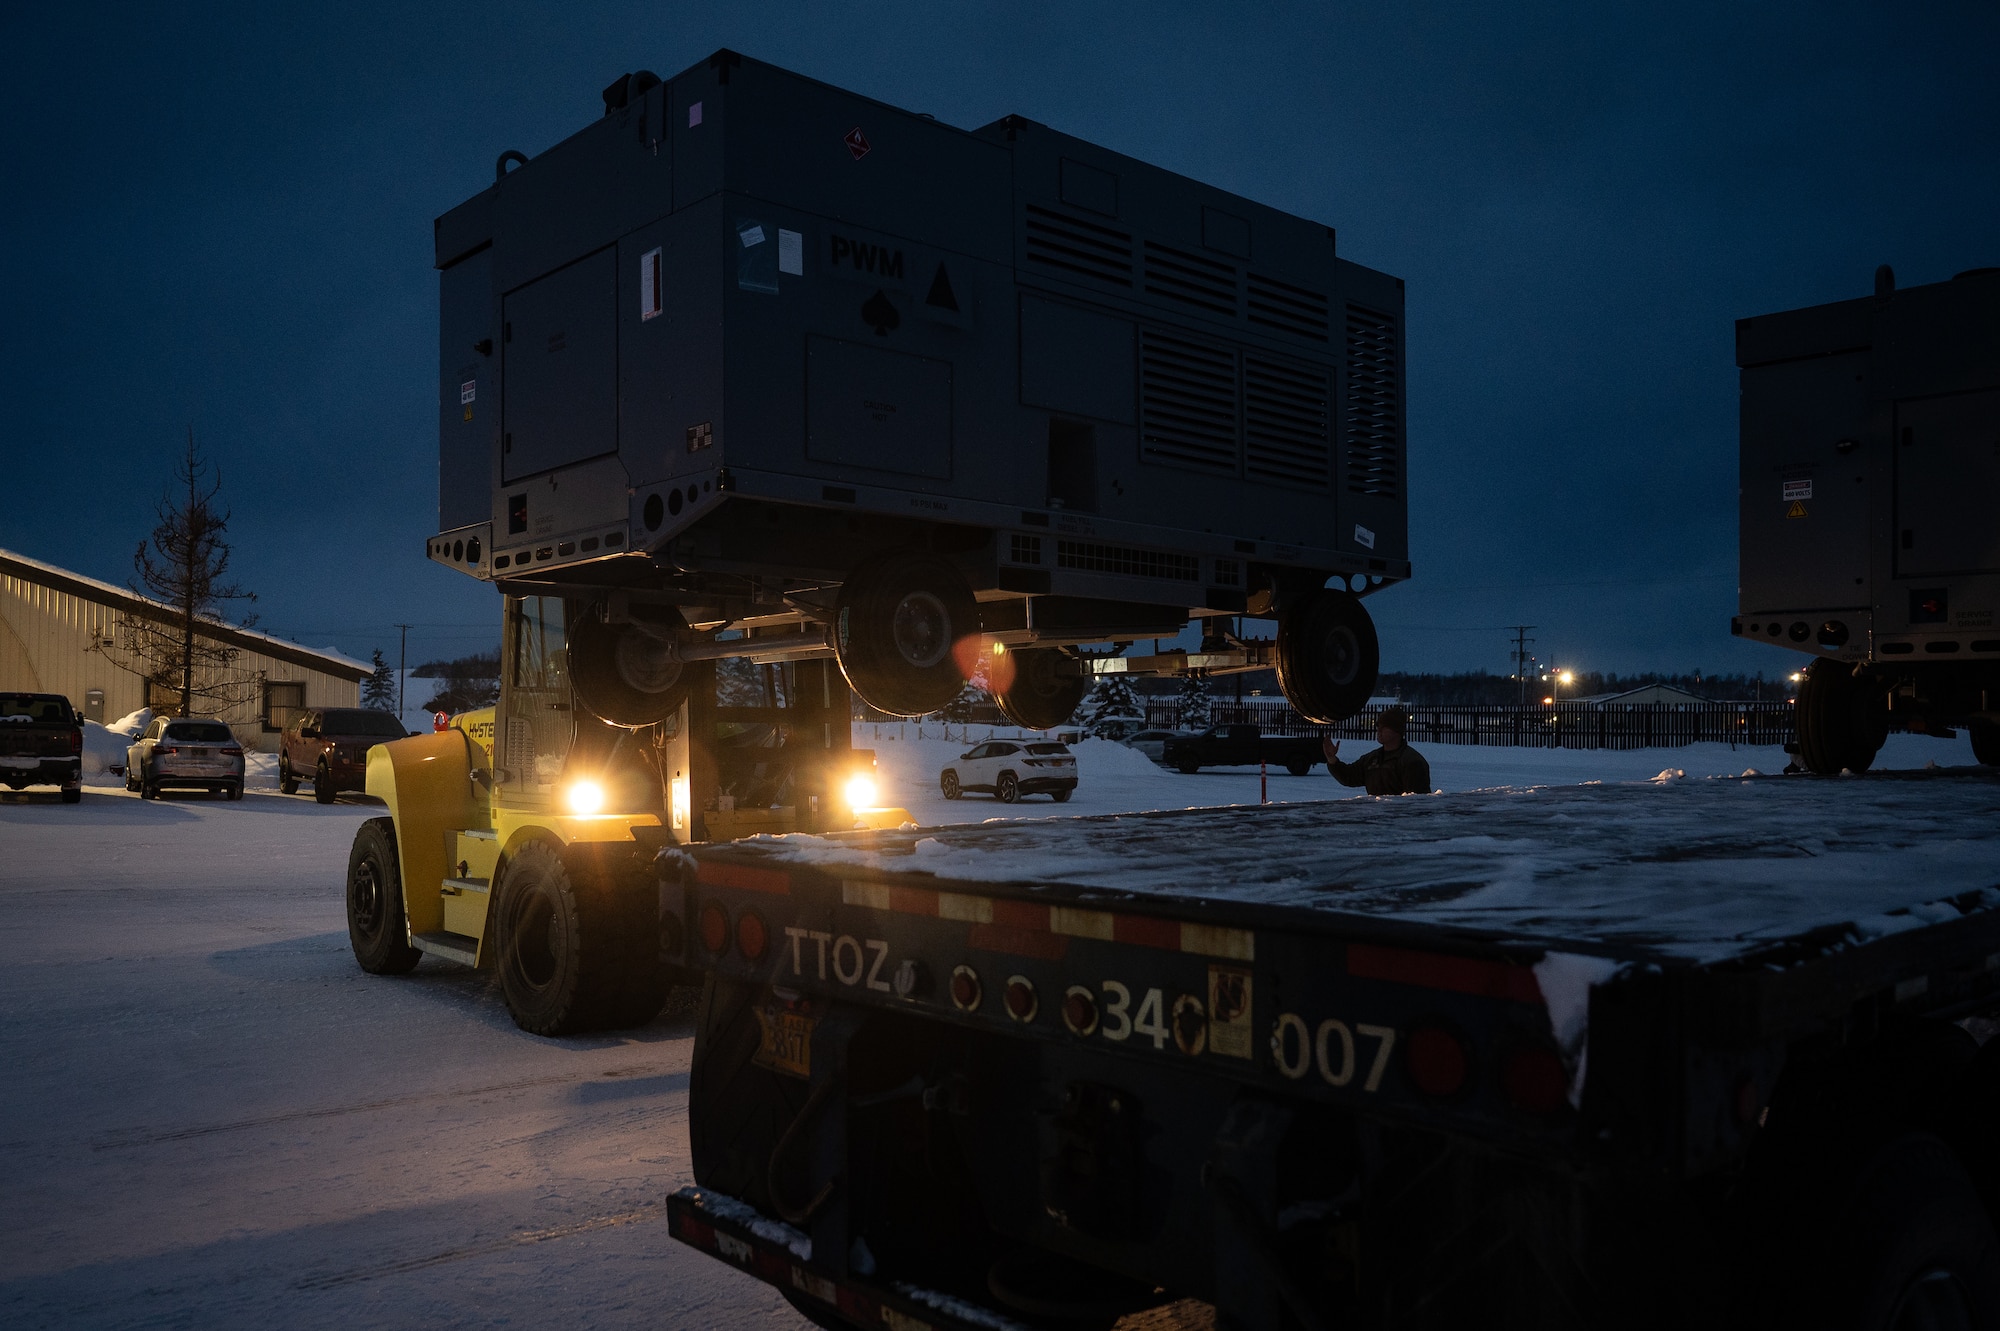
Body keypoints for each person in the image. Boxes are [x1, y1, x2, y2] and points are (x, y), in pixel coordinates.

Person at [1322, 706, 1431, 795]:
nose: (1378, 731)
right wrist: (1332, 759)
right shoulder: (1372, 759)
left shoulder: (1412, 762)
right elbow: (1349, 777)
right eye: (1378, 727)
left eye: (1384, 727)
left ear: (1397, 731)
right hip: (1375, 818)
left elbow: (1417, 803)